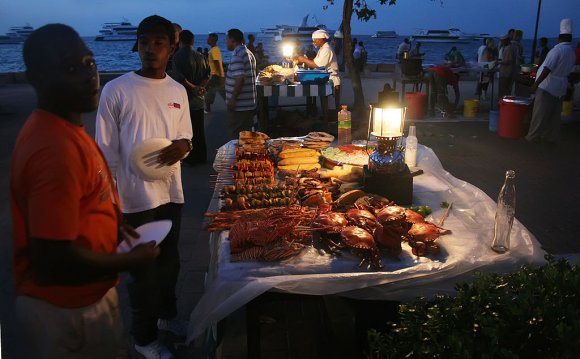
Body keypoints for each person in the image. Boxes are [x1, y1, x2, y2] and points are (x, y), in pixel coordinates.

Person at [11, 24, 159, 359]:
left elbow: (83, 200)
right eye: (70, 68)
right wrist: (128, 260)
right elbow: (52, 259)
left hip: (86, 300)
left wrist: (112, 225)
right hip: (65, 311)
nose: (88, 75)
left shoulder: (69, 129)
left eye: (89, 62)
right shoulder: (54, 149)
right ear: (36, 78)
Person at [96, 15, 193, 359]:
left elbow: (186, 136)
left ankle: (168, 318)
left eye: (159, 43)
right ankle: (143, 337)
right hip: (133, 199)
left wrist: (184, 146)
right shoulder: (116, 90)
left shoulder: (178, 91)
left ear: (172, 48)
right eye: (144, 42)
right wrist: (111, 206)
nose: (150, 50)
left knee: (170, 263)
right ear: (136, 45)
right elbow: (105, 153)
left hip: (171, 192)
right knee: (143, 271)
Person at [525, 19, 576, 143]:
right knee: (554, 115)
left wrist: (535, 84)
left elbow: (547, 68)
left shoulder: (556, 51)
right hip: (560, 87)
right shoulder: (572, 52)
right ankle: (550, 137)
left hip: (547, 86)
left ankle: (532, 137)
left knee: (539, 113)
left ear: (559, 38)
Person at [172, 30, 210, 164]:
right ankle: (202, 157)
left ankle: (191, 159)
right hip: (199, 99)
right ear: (193, 41)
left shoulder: (177, 57)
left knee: (186, 132)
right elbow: (207, 75)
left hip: (184, 99)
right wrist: (200, 87)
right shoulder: (201, 56)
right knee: (199, 129)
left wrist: (193, 88)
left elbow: (179, 77)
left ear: (179, 41)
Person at [294, 29, 341, 119]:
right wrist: (305, 59)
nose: (313, 42)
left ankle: (331, 127)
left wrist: (303, 60)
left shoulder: (326, 49)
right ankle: (326, 120)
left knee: (331, 108)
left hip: (332, 81)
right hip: (326, 79)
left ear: (321, 40)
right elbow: (315, 63)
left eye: (315, 40)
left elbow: (318, 65)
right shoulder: (322, 49)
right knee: (326, 105)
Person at [225, 28, 257, 139]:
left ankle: (240, 156)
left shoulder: (237, 56)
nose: (226, 42)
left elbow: (240, 79)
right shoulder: (248, 53)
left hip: (240, 106)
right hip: (248, 103)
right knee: (247, 136)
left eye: (227, 39)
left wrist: (233, 99)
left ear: (233, 40)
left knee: (239, 138)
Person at [205, 32, 225, 112]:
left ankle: (208, 108)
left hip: (215, 75)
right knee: (219, 91)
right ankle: (208, 108)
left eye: (208, 38)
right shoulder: (214, 49)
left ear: (212, 40)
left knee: (209, 91)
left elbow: (217, 63)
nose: (207, 40)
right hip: (215, 75)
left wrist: (221, 76)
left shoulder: (214, 50)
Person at [498, 34, 519, 99]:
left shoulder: (508, 48)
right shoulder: (512, 47)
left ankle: (502, 107)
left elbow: (509, 61)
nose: (501, 42)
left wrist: (498, 62)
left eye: (502, 41)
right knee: (506, 91)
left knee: (503, 92)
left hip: (506, 73)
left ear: (506, 40)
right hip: (509, 73)